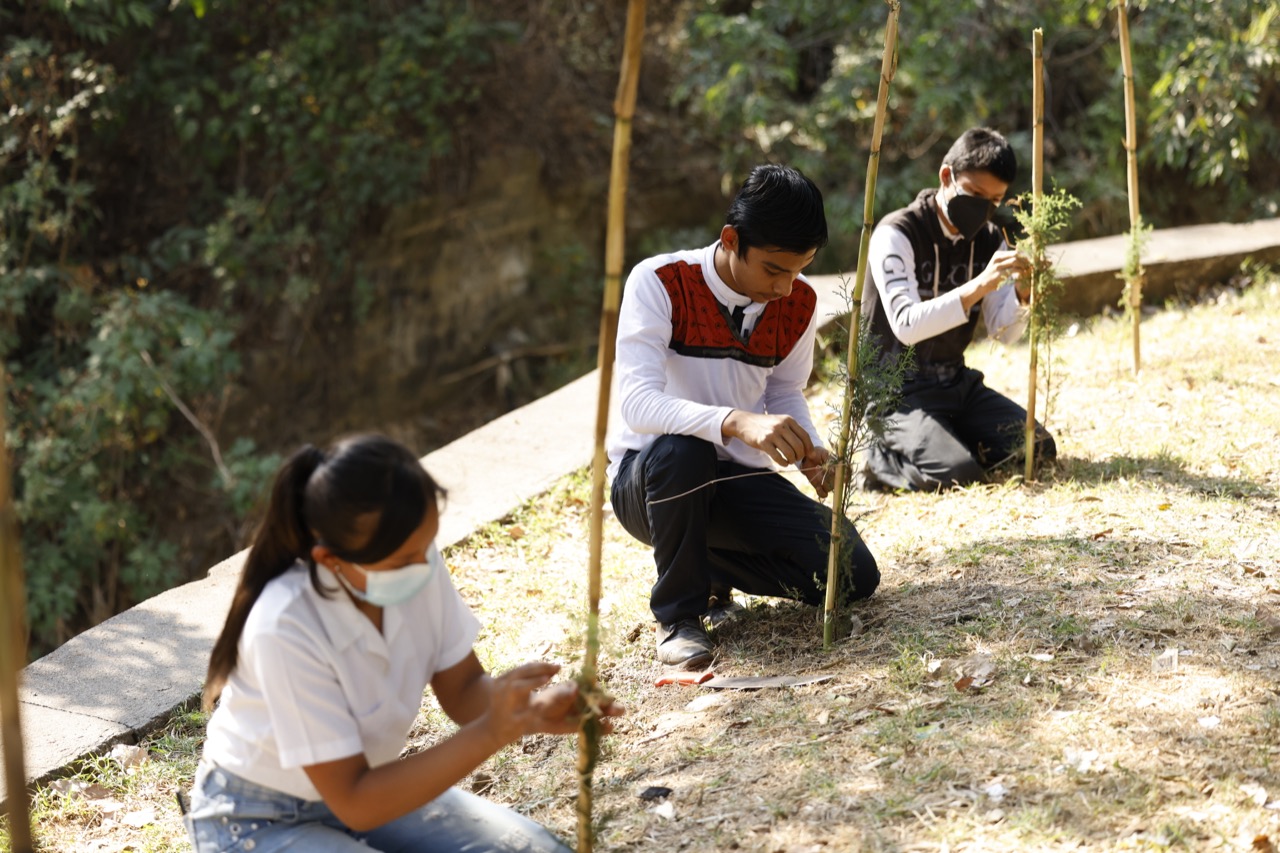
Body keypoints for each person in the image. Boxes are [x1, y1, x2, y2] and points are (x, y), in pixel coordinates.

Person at [184, 434, 621, 853]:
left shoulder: (417, 565)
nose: (424, 565)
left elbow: (465, 690)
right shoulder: (285, 625)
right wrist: (491, 732)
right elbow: (355, 800)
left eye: (426, 545)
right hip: (258, 818)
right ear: (330, 560)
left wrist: (528, 711)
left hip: (370, 789)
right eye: (403, 559)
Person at [608, 164, 880, 670]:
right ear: (731, 239)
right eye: (774, 270)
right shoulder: (661, 282)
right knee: (683, 450)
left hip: (735, 479)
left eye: (798, 270)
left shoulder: (798, 303)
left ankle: (703, 563)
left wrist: (808, 451)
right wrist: (735, 421)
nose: (784, 287)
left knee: (853, 575)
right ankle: (680, 617)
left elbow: (783, 390)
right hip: (649, 481)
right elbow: (637, 405)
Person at [860, 126, 1057, 492]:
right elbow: (905, 324)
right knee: (958, 475)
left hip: (954, 381)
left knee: (1037, 449)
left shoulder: (990, 239)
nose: (984, 209)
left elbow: (1004, 332)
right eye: (976, 195)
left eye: (994, 201)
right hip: (895, 392)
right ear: (946, 176)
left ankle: (947, 440)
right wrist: (979, 285)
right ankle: (880, 461)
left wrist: (1022, 294)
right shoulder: (897, 233)